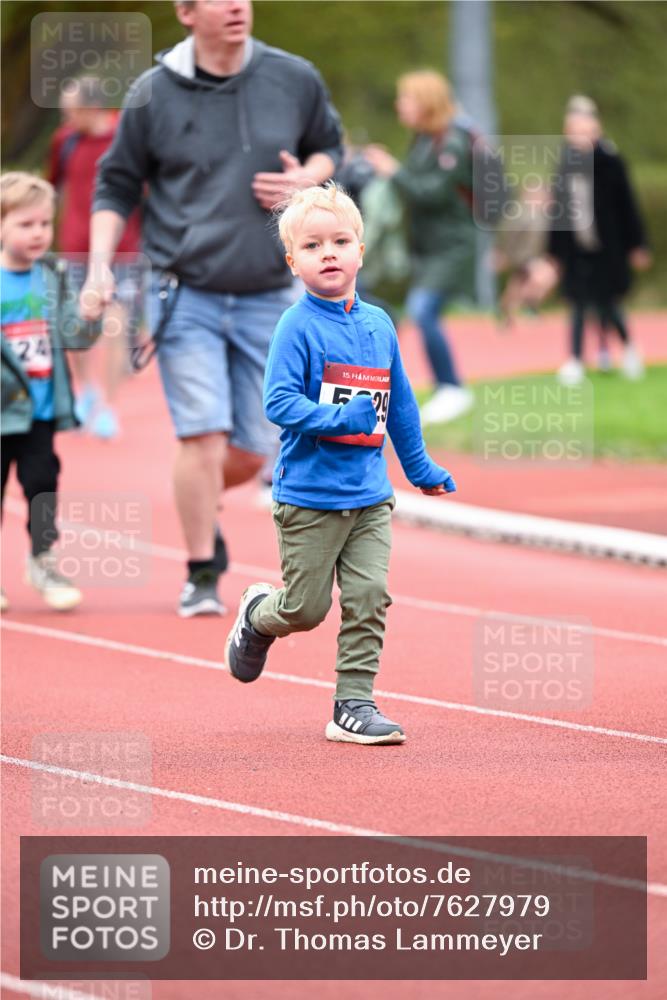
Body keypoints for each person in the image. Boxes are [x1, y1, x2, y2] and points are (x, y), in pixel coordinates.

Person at [80, 0, 343, 618]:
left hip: (270, 292)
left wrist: (307, 177)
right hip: (183, 289)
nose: (237, 7)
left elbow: (332, 148)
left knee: (253, 451)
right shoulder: (153, 91)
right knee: (201, 434)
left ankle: (198, 498)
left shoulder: (293, 75)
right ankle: (201, 569)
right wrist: (98, 266)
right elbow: (115, 183)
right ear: (186, 12)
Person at [224, 184, 457, 745]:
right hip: (309, 495)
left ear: (361, 250)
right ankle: (260, 616)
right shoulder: (296, 326)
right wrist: (338, 419)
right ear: (292, 262)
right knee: (306, 610)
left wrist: (419, 466)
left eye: (340, 241)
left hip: (370, 496)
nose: (328, 253)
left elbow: (398, 401)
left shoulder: (379, 324)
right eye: (312, 246)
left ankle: (353, 703)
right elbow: (277, 403)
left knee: (370, 596)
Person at [1, 173, 100, 612]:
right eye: (26, 224)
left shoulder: (53, 275)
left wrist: (91, 314)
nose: (39, 233)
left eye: (45, 223)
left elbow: (74, 337)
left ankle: (42, 560)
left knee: (43, 486)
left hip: (40, 412)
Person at [364, 70, 476, 425]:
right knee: (407, 311)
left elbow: (433, 193)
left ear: (426, 103)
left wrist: (392, 171)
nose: (401, 105)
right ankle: (414, 386)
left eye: (407, 98)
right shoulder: (425, 140)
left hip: (453, 246)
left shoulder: (453, 142)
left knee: (423, 310)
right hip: (427, 246)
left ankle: (452, 387)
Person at [47, 75, 142, 440]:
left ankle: (109, 406)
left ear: (91, 106)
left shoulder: (125, 135)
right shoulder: (65, 140)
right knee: (75, 322)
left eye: (71, 111)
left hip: (123, 248)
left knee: (116, 322)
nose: (66, 118)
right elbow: (54, 187)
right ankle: (86, 390)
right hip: (73, 247)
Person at [548, 96, 652, 386]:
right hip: (577, 249)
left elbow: (627, 206)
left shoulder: (611, 163)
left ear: (596, 132)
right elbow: (558, 211)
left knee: (608, 303)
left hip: (608, 248)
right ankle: (575, 360)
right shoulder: (565, 164)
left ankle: (629, 348)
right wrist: (554, 252)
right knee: (578, 304)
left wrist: (637, 245)